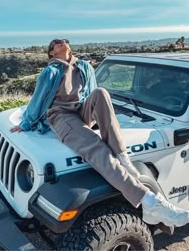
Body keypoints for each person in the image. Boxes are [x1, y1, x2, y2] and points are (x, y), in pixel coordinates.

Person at [11, 38, 189, 228]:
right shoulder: (51, 71)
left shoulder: (85, 67)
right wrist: (27, 122)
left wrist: (96, 119)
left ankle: (122, 157)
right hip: (61, 115)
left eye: (65, 41)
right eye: (57, 43)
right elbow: (37, 99)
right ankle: (150, 202)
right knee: (96, 146)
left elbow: (92, 93)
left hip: (81, 110)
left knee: (102, 93)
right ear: (52, 53)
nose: (62, 42)